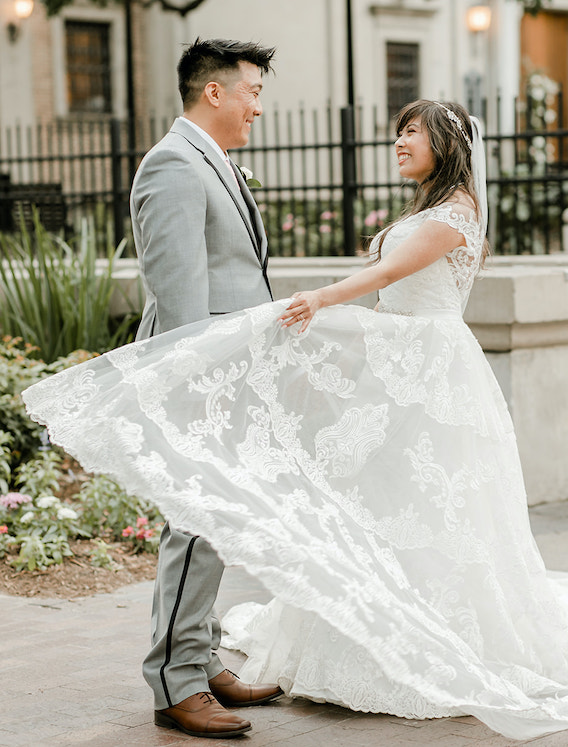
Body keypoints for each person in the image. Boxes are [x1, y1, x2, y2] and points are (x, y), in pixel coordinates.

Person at [22, 99, 568, 741]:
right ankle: (355, 641)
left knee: (430, 511)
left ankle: (428, 646)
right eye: (399, 132)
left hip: (434, 378)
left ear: (448, 142)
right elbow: (390, 292)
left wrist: (318, 299)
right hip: (400, 370)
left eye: (414, 132)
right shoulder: (425, 210)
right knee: (378, 509)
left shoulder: (457, 212)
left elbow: (388, 273)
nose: (400, 142)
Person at [126, 38, 282, 739]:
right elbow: (180, 296)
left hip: (232, 374)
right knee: (194, 527)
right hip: (200, 378)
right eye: (251, 90)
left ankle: (202, 655)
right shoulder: (172, 164)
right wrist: (199, 390)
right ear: (212, 91)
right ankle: (175, 681)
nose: (258, 104)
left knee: (213, 526)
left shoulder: (212, 160)